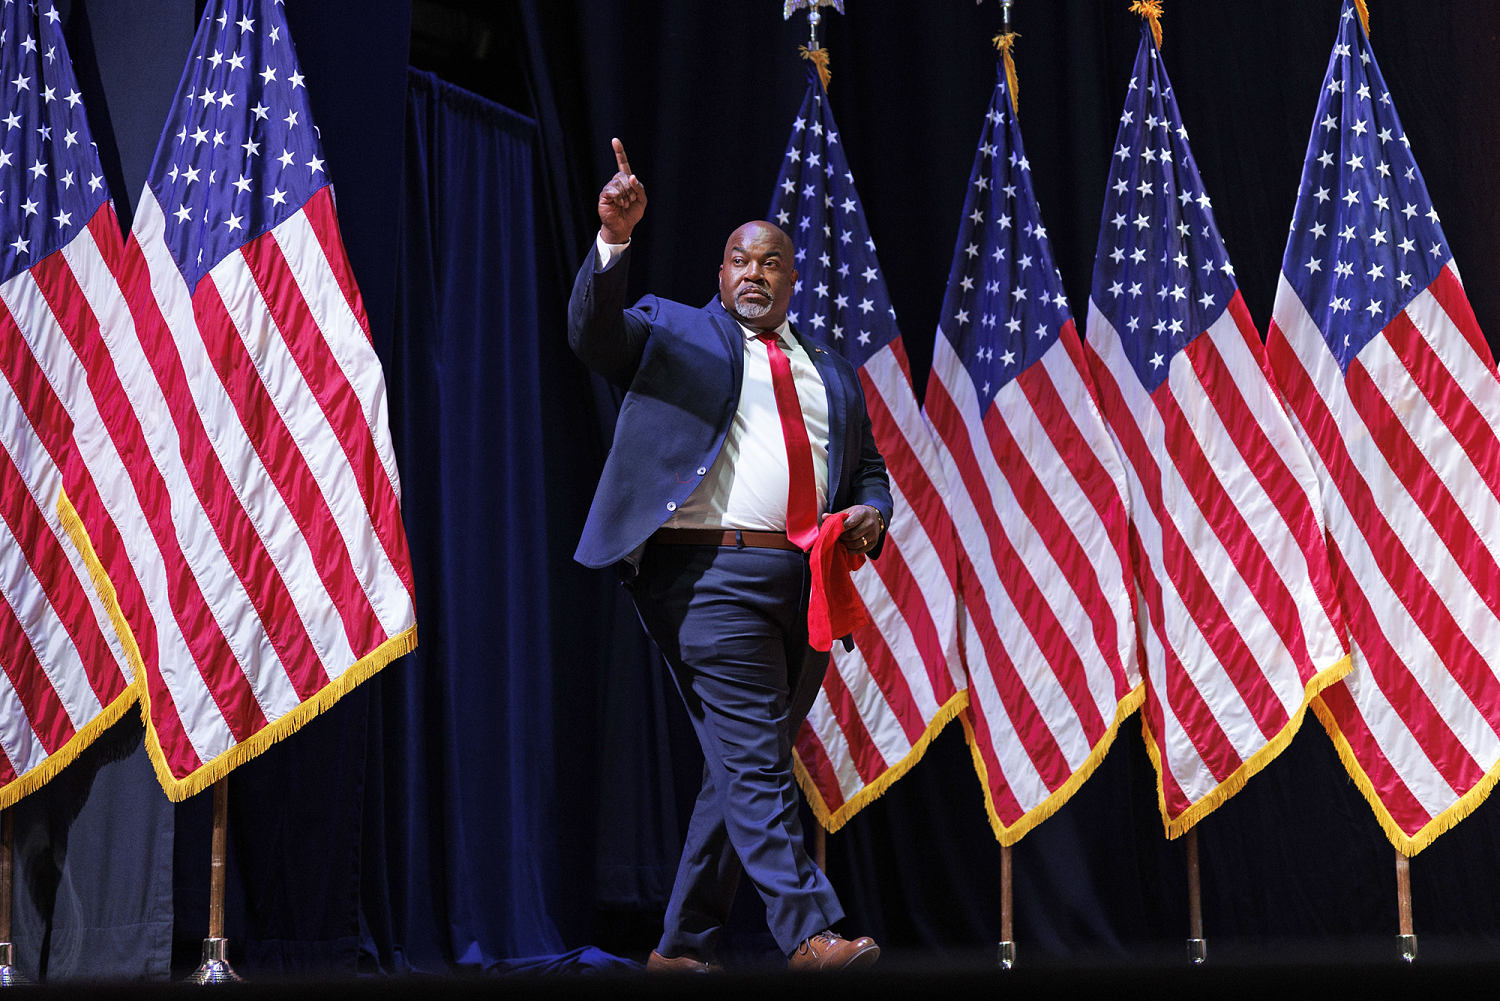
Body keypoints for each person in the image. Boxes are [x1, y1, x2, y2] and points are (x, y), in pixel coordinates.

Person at [568, 138, 892, 972]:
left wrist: (868, 513)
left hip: (809, 586)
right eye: (740, 261)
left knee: (738, 765)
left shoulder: (832, 369)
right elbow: (595, 336)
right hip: (708, 579)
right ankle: (811, 933)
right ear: (720, 277)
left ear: (792, 279)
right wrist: (613, 241)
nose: (755, 273)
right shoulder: (671, 330)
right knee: (752, 758)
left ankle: (682, 948)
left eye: (772, 262)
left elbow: (867, 470)